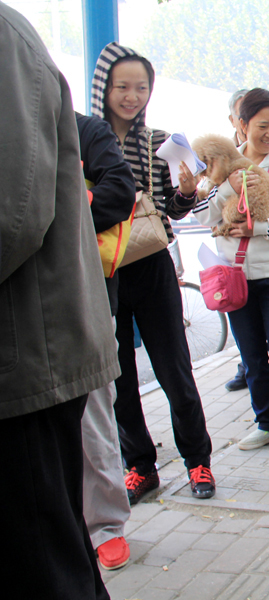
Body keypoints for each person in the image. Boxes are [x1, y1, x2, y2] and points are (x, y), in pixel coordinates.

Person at [1, 5, 120, 597]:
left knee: (44, 563)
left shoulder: (5, 40)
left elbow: (14, 213)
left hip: (27, 357)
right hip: (33, 351)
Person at [92, 42, 216, 503]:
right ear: (102, 87)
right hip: (102, 269)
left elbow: (175, 209)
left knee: (174, 370)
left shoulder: (157, 141)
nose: (132, 96)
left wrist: (186, 192)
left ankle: (198, 461)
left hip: (150, 265)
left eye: (141, 87)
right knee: (118, 376)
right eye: (122, 86)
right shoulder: (83, 140)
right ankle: (140, 466)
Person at [194, 88, 269, 460]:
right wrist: (225, 190)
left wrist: (260, 229)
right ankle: (266, 423)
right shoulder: (221, 168)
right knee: (251, 358)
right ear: (242, 124)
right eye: (263, 125)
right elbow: (201, 215)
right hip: (235, 279)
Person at [77, 112, 137, 571]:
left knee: (94, 412)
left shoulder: (83, 132)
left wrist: (63, 204)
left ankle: (105, 525)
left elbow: (119, 192)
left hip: (85, 292)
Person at [224, 88, 250, 392]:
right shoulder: (221, 154)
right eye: (242, 114)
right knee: (240, 313)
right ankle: (246, 365)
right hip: (233, 254)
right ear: (233, 120)